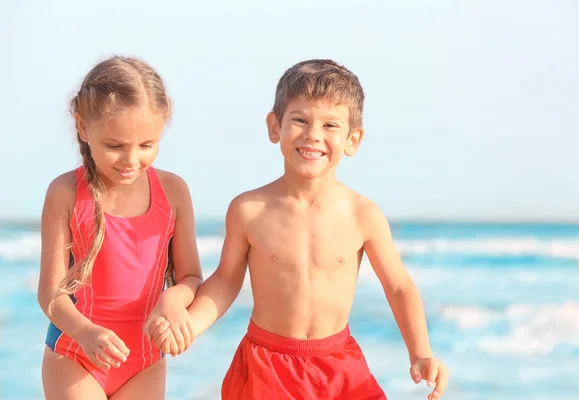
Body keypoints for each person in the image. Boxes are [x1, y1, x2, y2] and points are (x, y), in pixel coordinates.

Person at [150, 58, 449, 400]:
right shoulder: (249, 210)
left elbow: (398, 286)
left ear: (353, 139)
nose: (313, 135)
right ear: (275, 126)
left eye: (330, 125)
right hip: (267, 365)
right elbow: (226, 280)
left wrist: (421, 352)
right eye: (300, 120)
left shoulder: (362, 214)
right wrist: (191, 325)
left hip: (339, 366)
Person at [37, 55, 203, 400]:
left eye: (146, 146)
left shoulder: (173, 192)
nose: (131, 161)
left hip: (145, 362)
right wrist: (84, 332)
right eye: (115, 146)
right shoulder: (65, 192)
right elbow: (51, 292)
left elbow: (192, 278)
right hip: (76, 355)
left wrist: (174, 299)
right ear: (83, 127)